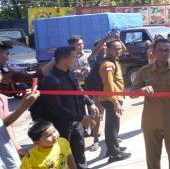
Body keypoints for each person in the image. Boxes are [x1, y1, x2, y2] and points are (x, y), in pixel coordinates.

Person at [33, 46, 98, 169]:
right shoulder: (51, 80)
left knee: (80, 154)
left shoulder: (70, 74)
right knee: (62, 157)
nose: (76, 59)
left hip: (75, 123)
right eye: (74, 56)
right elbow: (56, 108)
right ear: (63, 60)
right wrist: (81, 118)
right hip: (60, 125)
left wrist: (90, 102)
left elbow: (78, 90)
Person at [131, 38, 170, 169]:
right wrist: (141, 90)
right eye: (160, 50)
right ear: (153, 52)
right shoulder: (144, 71)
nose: (164, 53)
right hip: (151, 122)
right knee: (152, 157)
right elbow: (132, 94)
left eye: (167, 50)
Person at [0, 39, 40, 169]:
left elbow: (5, 126)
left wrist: (17, 148)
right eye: (6, 54)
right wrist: (24, 106)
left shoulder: (2, 97)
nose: (7, 57)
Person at [98, 40, 131, 163]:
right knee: (112, 126)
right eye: (116, 49)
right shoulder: (108, 64)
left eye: (120, 48)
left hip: (114, 98)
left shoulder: (113, 60)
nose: (119, 51)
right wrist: (115, 102)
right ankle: (114, 154)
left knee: (114, 124)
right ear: (109, 50)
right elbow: (109, 85)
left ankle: (113, 147)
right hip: (111, 99)